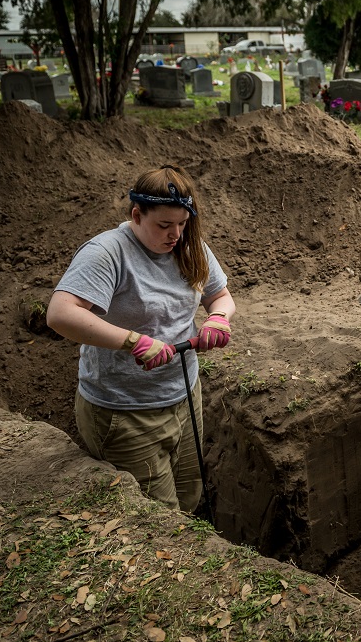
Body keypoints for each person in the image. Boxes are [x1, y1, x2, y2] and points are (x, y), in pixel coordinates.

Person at [47, 165, 235, 513]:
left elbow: (219, 296)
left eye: (182, 223)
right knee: (159, 518)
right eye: (164, 225)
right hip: (124, 410)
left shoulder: (191, 246)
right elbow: (60, 313)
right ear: (136, 214)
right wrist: (134, 341)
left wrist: (218, 318)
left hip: (182, 395)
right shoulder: (106, 253)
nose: (175, 234)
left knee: (189, 498)